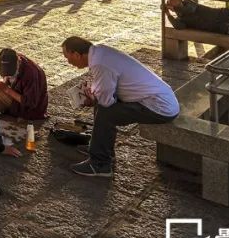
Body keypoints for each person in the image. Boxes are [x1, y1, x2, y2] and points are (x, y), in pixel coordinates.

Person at [61, 36, 180, 177]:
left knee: (106, 113)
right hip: (157, 98)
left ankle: (100, 164)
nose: (69, 63)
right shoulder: (100, 52)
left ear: (76, 54)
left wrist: (92, 99)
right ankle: (101, 149)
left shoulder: (100, 64)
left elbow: (106, 102)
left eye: (68, 58)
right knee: (103, 105)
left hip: (158, 106)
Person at [0, 47, 49, 120]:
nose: (8, 76)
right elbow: (7, 78)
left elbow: (30, 103)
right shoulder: (14, 60)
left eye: (11, 72)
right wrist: (2, 84)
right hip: (16, 100)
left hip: (30, 110)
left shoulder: (31, 73)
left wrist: (6, 89)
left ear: (18, 62)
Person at [164, 0, 229, 37]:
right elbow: (179, 26)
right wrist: (168, 14)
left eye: (177, 3)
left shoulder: (188, 3)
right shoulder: (181, 19)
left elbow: (189, 10)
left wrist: (175, 7)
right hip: (226, 27)